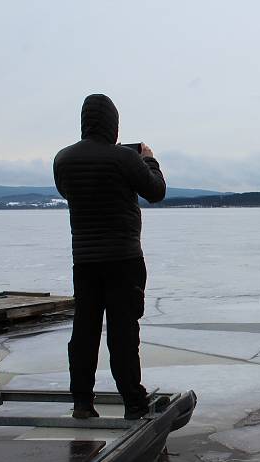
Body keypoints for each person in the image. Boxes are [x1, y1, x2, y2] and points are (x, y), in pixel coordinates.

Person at [54, 94, 166, 420]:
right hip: (124, 260)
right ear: (113, 124)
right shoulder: (124, 159)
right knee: (123, 333)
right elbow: (156, 191)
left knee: (84, 331)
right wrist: (148, 159)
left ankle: (82, 403)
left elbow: (67, 191)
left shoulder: (63, 159)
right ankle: (133, 402)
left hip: (85, 261)